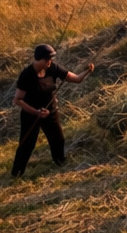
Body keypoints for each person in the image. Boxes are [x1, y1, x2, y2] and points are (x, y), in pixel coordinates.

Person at [11, 44, 93, 178]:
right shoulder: (27, 75)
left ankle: (60, 162)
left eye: (51, 59)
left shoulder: (53, 68)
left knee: (58, 139)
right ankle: (17, 173)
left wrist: (87, 71)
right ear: (39, 59)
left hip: (50, 112)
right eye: (47, 59)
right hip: (31, 115)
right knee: (27, 144)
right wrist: (36, 112)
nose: (50, 62)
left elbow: (76, 79)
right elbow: (18, 100)